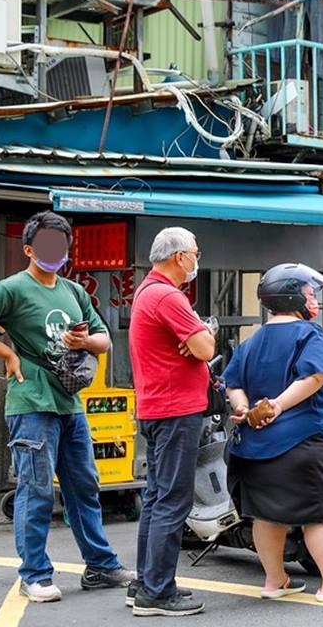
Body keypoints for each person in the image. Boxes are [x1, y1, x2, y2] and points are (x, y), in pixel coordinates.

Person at [0, 211, 134, 603]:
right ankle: (34, 574)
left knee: (84, 487)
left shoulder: (73, 291)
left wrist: (84, 342)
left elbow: (104, 339)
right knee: (36, 491)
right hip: (31, 403)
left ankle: (100, 565)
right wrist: (7, 354)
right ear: (29, 249)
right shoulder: (12, 289)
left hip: (69, 404)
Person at [224, 264, 323, 604]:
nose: (314, 300)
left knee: (267, 514)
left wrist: (245, 409)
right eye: (309, 294)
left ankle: (275, 580)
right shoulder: (309, 334)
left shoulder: (252, 340)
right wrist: (278, 405)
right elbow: (315, 377)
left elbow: (232, 383)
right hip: (301, 443)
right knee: (321, 512)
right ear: (290, 297)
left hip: (253, 447)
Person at [126, 227, 216, 616]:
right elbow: (206, 347)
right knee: (172, 500)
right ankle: (158, 592)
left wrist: (197, 337)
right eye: (195, 253)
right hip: (175, 410)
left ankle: (145, 583)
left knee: (157, 498)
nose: (196, 260)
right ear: (180, 256)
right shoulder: (168, 296)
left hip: (157, 407)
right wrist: (203, 332)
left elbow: (196, 345)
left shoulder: (148, 292)